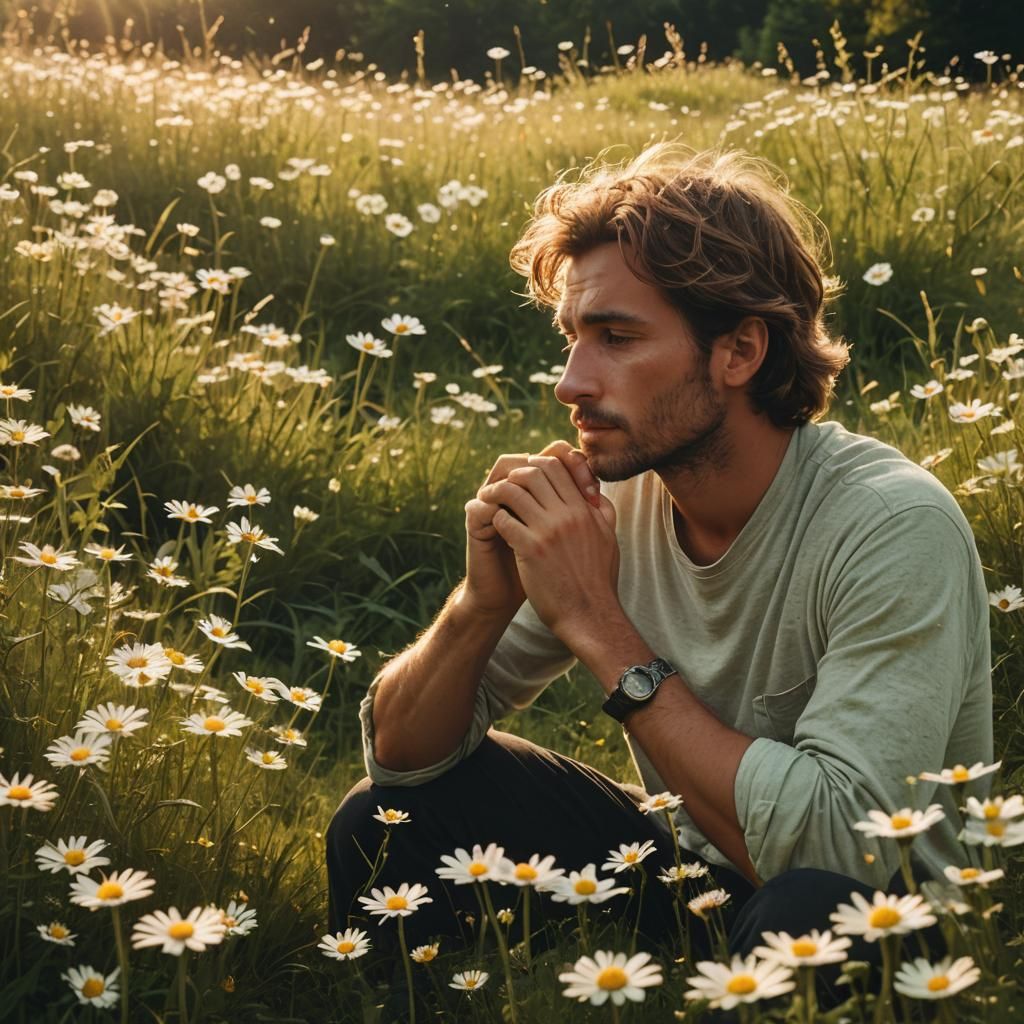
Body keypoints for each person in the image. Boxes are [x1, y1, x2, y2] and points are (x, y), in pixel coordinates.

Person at [326, 144, 992, 971]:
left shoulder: (890, 525)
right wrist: (479, 606)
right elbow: (400, 759)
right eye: (573, 337)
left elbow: (843, 852)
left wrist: (600, 628)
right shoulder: (614, 501)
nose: (570, 382)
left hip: (886, 923)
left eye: (616, 337)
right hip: (687, 868)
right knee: (387, 819)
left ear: (740, 352)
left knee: (808, 916)